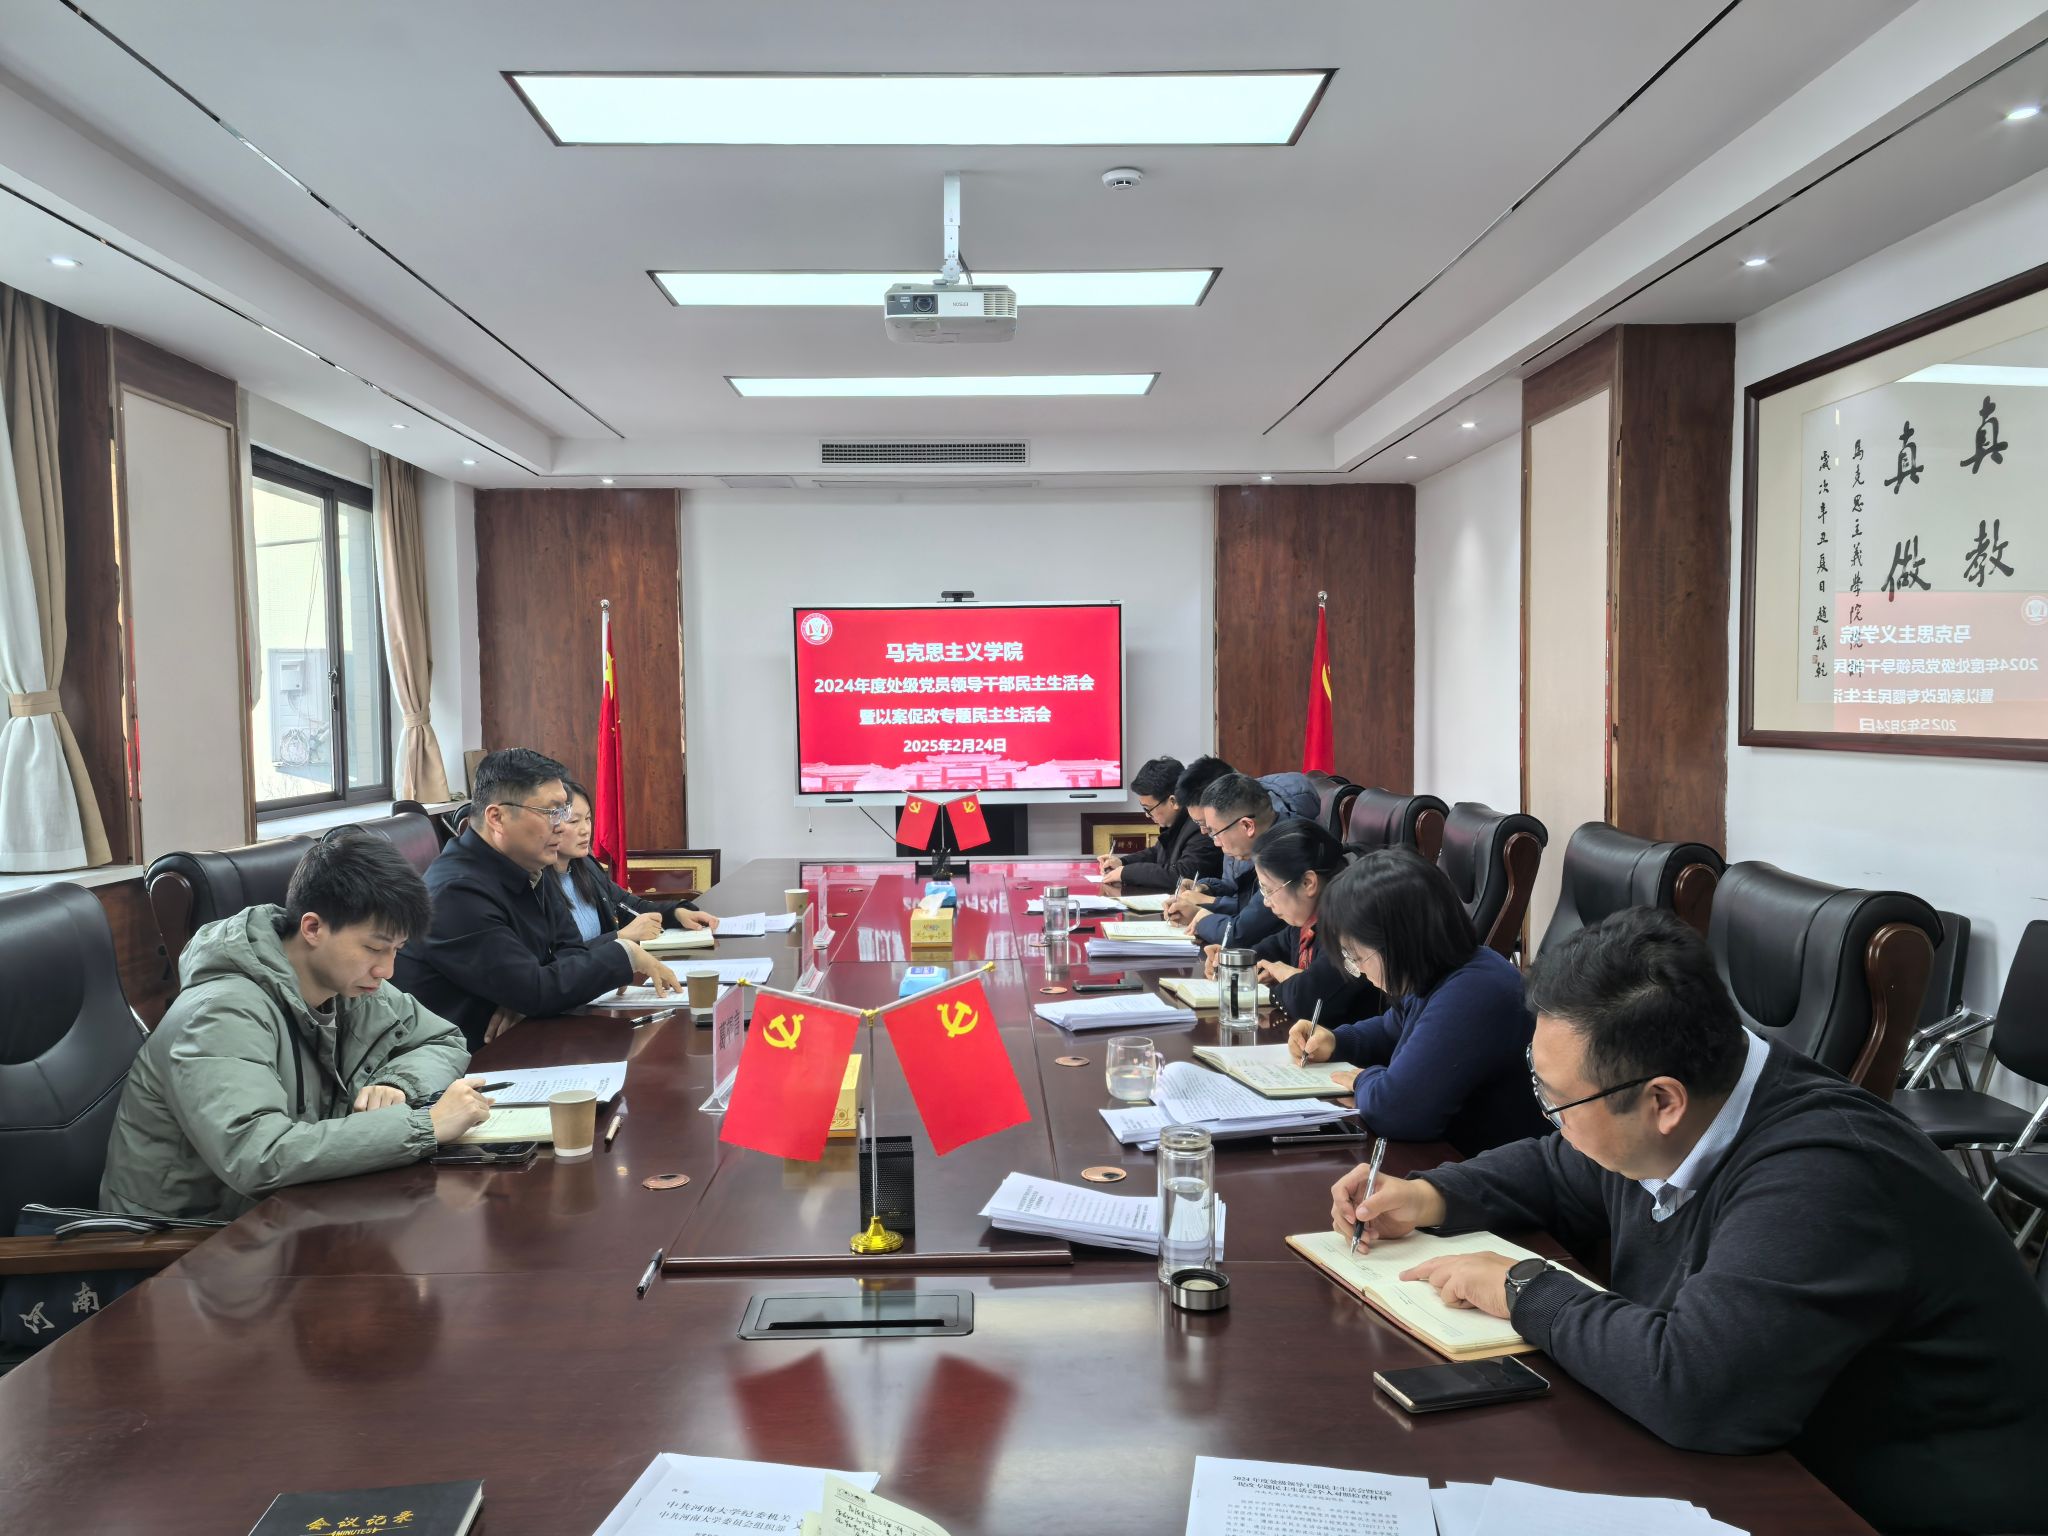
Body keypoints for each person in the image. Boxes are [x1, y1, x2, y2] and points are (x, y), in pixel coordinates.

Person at [1328, 907, 2048, 1536]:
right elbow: (1559, 1167)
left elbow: (1696, 1389)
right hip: (1778, 1460)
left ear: (1662, 1103)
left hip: (1892, 1506)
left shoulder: (1823, 1178)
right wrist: (1427, 1195)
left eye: (1556, 1099)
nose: (1550, 1117)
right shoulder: (1695, 1094)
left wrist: (1523, 1287)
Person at [100, 829, 491, 1222]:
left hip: (295, 1207)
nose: (386, 970)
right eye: (374, 948)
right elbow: (258, 1156)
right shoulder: (220, 1014)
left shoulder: (349, 986)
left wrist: (397, 1083)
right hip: (187, 1237)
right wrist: (424, 1126)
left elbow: (442, 1040)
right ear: (313, 928)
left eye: (396, 950)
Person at [393, 747, 678, 1048]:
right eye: (551, 812)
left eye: (563, 811)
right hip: (465, 1059)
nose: (561, 825)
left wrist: (529, 997)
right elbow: (537, 989)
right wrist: (624, 954)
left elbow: (569, 952)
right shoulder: (456, 892)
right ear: (497, 818)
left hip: (526, 1039)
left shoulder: (529, 866)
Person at [1289, 847, 1545, 1153]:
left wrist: (1363, 1080)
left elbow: (1396, 1111)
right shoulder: (1440, 972)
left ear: (1398, 943)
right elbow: (1391, 1029)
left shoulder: (1475, 992)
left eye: (1356, 956)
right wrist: (1336, 1041)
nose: (1358, 970)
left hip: (1481, 1164)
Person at [1202, 818, 1378, 1023]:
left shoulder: (1350, 924)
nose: (1266, 902)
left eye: (1269, 890)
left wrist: (1287, 976)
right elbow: (1276, 946)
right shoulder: (1309, 917)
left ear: (1308, 883)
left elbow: (1304, 1000)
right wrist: (1232, 962)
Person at [552, 779, 718, 943]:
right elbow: (562, 956)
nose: (585, 830)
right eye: (574, 821)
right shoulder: (541, 885)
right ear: (551, 823)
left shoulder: (587, 866)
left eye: (588, 819)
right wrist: (620, 937)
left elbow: (630, 906)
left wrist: (677, 913)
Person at [1172, 771, 1284, 949]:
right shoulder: (1266, 843)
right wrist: (1205, 891)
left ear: (1247, 825)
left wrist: (1201, 918)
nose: (1216, 843)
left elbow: (1240, 933)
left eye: (1215, 832)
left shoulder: (1284, 854)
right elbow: (1247, 905)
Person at [1098, 756, 1221, 892]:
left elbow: (1182, 874)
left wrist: (1126, 873)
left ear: (1173, 802)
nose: (1147, 815)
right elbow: (1156, 853)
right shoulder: (1176, 824)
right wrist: (1123, 862)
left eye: (1148, 809)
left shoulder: (1201, 827)